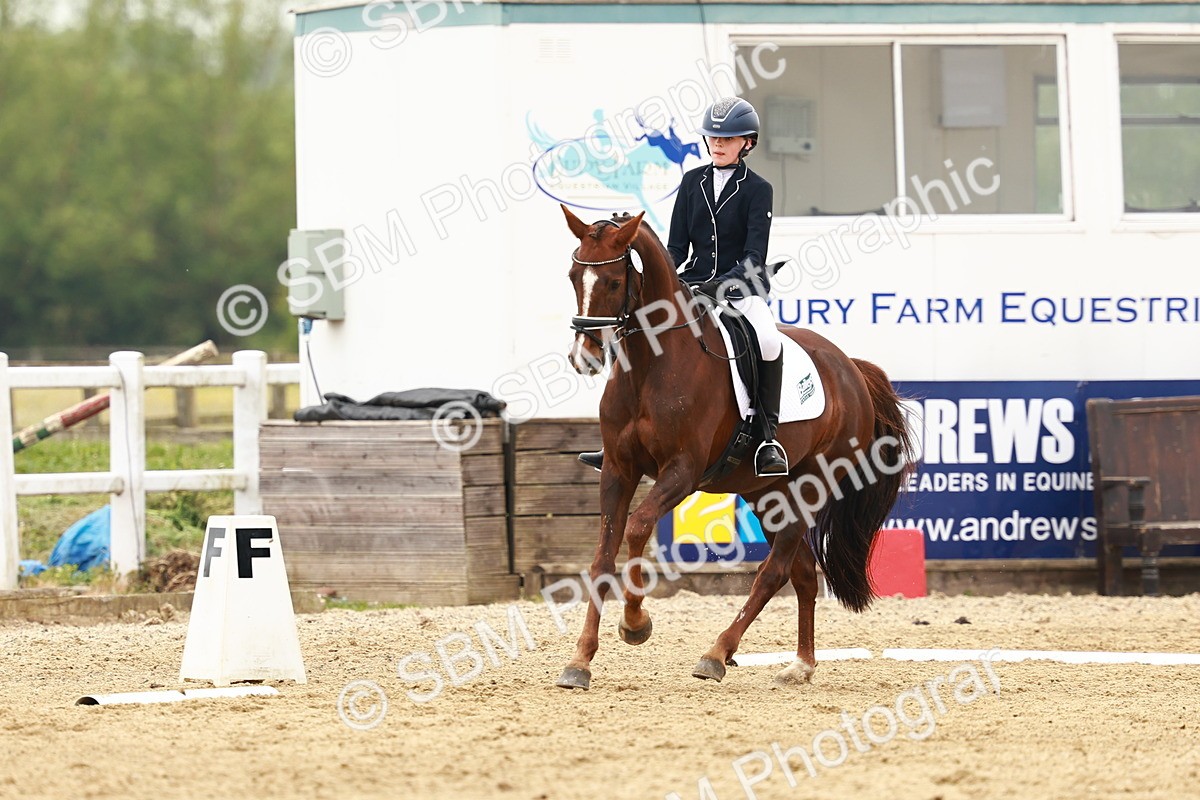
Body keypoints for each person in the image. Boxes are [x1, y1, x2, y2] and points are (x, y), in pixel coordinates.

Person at [580, 96, 789, 477]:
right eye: (713, 138)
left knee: (769, 341)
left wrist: (720, 286)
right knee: (632, 324)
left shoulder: (759, 189)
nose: (718, 144)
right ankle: (617, 434)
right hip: (691, 283)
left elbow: (755, 255)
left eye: (728, 139)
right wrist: (660, 280)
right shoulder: (692, 182)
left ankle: (766, 437)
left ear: (748, 143)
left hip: (739, 290)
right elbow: (676, 248)